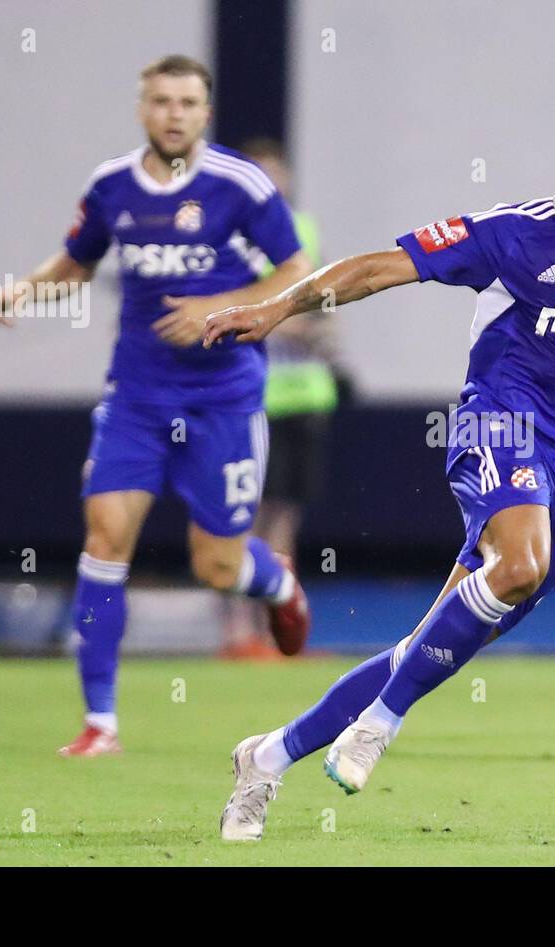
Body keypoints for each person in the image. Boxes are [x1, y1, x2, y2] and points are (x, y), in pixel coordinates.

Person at [203, 74, 555, 840]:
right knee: (519, 564)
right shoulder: (513, 234)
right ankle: (380, 725)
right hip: (499, 425)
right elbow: (378, 267)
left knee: (430, 644)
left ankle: (269, 756)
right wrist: (274, 306)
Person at [0, 55, 313, 755]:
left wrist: (219, 305)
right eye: (161, 101)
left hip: (221, 401)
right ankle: (100, 721)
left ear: (205, 112)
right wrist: (23, 289)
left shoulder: (241, 186)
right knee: (105, 537)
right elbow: (77, 261)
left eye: (188, 101)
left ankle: (278, 583)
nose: (173, 112)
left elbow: (295, 273)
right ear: (144, 110)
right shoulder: (111, 187)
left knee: (217, 568)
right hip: (136, 397)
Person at [221, 138, 342, 659]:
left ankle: (277, 632)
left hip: (305, 397)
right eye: (260, 175)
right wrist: (285, 321)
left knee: (285, 522)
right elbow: (237, 312)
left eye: (278, 175)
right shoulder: (231, 237)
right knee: (244, 517)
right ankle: (237, 632)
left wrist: (317, 328)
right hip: (255, 399)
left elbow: (327, 303)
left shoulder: (303, 231)